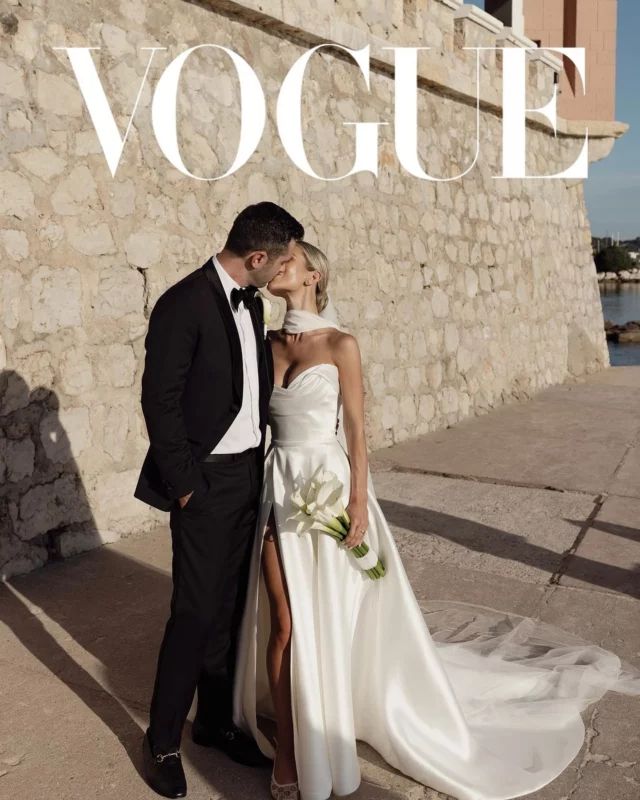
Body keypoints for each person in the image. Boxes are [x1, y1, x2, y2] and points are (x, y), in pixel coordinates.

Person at [231, 240, 640, 800]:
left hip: (328, 490)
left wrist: (357, 501)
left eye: (290, 258)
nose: (277, 264)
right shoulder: (265, 342)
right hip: (279, 491)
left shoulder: (341, 344)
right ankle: (290, 753)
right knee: (283, 622)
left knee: (329, 620)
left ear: (313, 273)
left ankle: (333, 714)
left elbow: (356, 432)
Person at [133, 201, 304, 798]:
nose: (280, 270)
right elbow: (160, 401)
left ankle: (212, 722)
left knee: (232, 607)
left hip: (248, 476)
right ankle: (161, 741)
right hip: (202, 483)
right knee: (195, 612)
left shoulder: (251, 301)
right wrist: (185, 484)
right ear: (257, 256)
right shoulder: (182, 304)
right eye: (278, 261)